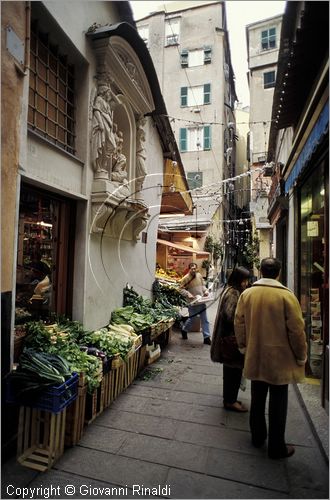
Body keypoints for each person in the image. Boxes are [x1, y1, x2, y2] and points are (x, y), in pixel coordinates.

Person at [234, 257, 307, 459]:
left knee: (257, 397)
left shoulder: (248, 294)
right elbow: (296, 331)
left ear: (261, 270)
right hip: (279, 359)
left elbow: (238, 323)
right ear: (279, 273)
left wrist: (243, 346)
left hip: (255, 355)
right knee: (278, 401)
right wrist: (301, 355)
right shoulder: (287, 296)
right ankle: (276, 446)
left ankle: (257, 437)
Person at [211, 266, 250, 412]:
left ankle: (230, 399)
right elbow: (230, 315)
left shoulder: (230, 289)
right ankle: (230, 401)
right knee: (233, 371)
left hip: (227, 337)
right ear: (240, 279)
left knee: (230, 371)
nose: (246, 283)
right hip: (231, 339)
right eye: (245, 280)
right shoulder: (233, 293)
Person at [179, 262, 211, 345]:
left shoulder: (199, 276)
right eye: (192, 268)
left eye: (195, 268)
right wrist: (188, 294)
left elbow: (203, 286)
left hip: (201, 301)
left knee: (205, 320)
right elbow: (181, 289)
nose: (194, 270)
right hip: (193, 303)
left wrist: (206, 291)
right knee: (192, 320)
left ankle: (206, 338)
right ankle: (184, 329)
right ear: (189, 269)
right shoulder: (185, 278)